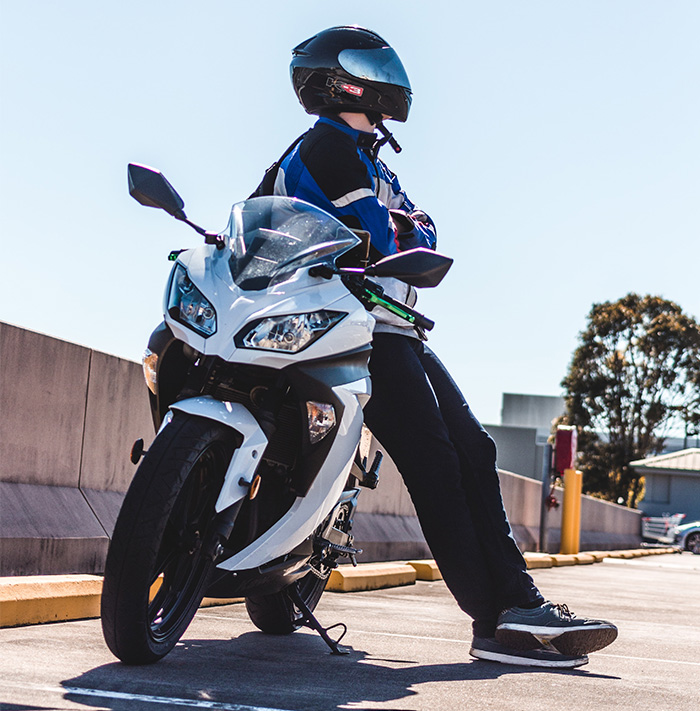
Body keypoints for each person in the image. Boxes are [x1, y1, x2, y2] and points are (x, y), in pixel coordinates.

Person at [252, 25, 617, 668]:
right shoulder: (326, 149)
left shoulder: (367, 157)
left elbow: (421, 227)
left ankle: (514, 606)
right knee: (437, 463)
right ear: (336, 81)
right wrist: (394, 229)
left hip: (387, 326)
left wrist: (398, 226)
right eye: (369, 67)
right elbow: (376, 238)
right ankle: (501, 617)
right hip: (349, 330)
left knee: (470, 449)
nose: (389, 80)